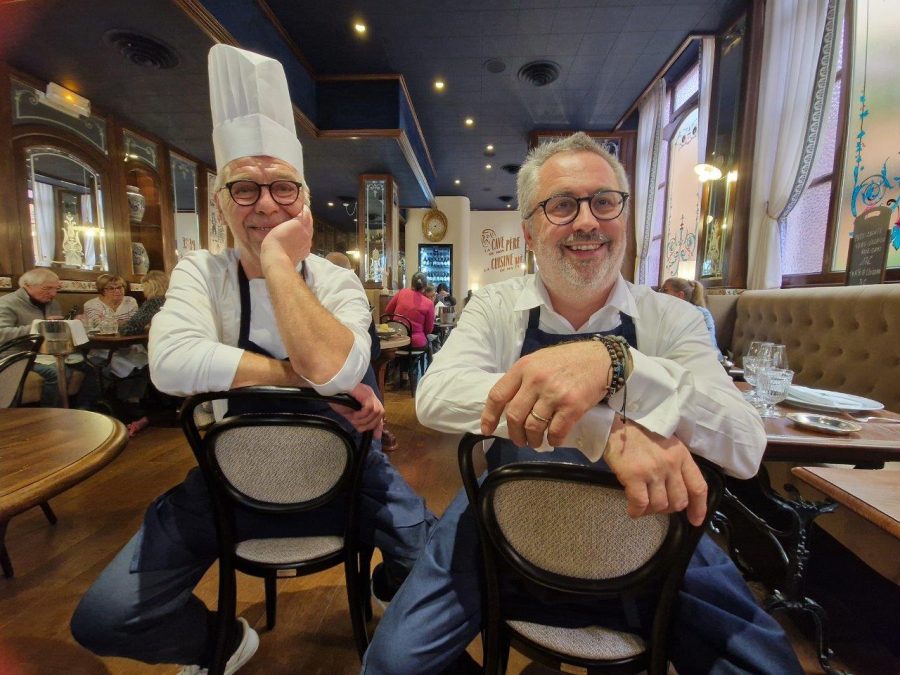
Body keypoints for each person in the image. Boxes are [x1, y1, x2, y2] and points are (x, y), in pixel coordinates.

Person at [362, 132, 803, 675]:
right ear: (529, 231)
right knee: (392, 664)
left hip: (651, 534)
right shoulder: (497, 306)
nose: (587, 221)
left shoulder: (673, 318)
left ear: (625, 217)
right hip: (503, 526)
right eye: (563, 205)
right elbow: (436, 396)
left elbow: (745, 443)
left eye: (604, 202)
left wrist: (620, 365)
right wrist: (604, 429)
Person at [71, 44, 433, 675]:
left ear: (304, 200)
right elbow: (171, 363)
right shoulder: (200, 272)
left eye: (283, 187)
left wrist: (276, 266)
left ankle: (386, 595)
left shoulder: (337, 281)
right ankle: (221, 641)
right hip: (229, 481)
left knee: (436, 571)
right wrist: (304, 378)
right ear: (220, 202)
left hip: (351, 475)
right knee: (104, 618)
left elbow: (344, 371)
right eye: (245, 187)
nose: (266, 204)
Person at [0, 268, 69, 406]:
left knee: (88, 365)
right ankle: (50, 414)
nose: (53, 294)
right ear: (27, 285)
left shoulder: (53, 303)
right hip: (15, 355)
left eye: (56, 289)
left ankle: (83, 407)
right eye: (47, 288)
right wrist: (39, 326)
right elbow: (1, 334)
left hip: (46, 353)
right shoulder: (7, 303)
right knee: (57, 372)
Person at [82, 273, 149, 415]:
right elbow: (97, 325)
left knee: (145, 363)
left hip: (130, 346)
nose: (117, 291)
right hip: (103, 348)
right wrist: (124, 322)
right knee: (121, 365)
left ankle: (133, 402)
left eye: (120, 287)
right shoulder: (91, 304)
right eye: (111, 288)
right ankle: (121, 403)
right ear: (102, 290)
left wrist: (111, 321)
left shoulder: (130, 301)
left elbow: (136, 323)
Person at [119, 270, 170, 436]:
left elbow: (127, 329)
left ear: (150, 287)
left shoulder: (153, 303)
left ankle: (135, 409)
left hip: (162, 353)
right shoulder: (173, 300)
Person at [659, 276, 724, 360]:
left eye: (665, 290)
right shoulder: (666, 313)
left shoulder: (701, 313)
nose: (660, 293)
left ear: (680, 295)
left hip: (707, 360)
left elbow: (708, 344)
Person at [384, 271, 434, 351]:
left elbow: (387, 311)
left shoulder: (401, 292)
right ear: (425, 286)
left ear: (412, 283)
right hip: (415, 343)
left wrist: (397, 324)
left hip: (396, 340)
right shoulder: (429, 303)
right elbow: (428, 330)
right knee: (430, 342)